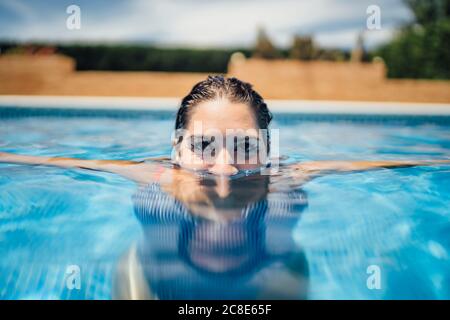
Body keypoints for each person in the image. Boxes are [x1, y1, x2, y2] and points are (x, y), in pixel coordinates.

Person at [1, 75, 449, 299]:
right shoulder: (155, 175)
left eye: (245, 147)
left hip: (272, 280)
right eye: (203, 146)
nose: (222, 169)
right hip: (152, 284)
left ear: (270, 152)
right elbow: (53, 161)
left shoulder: (287, 177)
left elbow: (384, 164)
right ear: (176, 151)